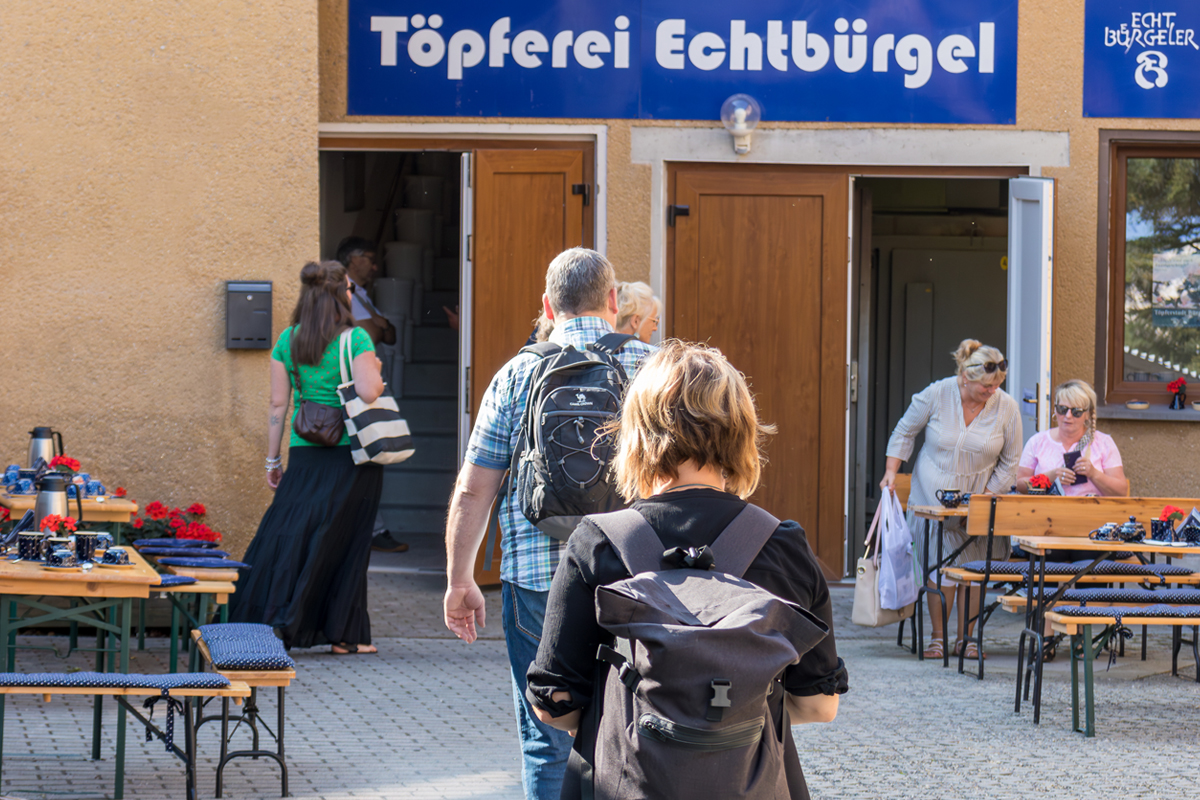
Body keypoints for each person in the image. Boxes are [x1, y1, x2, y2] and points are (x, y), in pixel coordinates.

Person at [526, 341, 846, 800]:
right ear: (742, 433)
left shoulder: (598, 542)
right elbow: (820, 706)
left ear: (637, 432)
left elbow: (553, 706)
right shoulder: (782, 545)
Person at [443, 248, 656, 800]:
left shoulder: (517, 372)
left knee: (546, 740)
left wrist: (460, 580)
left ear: (547, 304)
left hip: (541, 580)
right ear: (613, 301)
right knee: (639, 730)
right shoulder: (651, 369)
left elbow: (473, 489)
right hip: (636, 575)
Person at [230, 260, 386, 654]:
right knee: (348, 541)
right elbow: (370, 392)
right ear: (340, 294)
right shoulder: (357, 339)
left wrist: (272, 461)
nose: (353, 293)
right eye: (349, 288)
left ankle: (265, 618)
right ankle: (345, 636)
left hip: (304, 452)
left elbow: (278, 404)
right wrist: (377, 372)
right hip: (351, 453)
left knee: (289, 532)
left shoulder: (288, 339)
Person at [880, 339, 1022, 661]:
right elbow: (904, 432)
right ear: (965, 376)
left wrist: (984, 500)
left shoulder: (1007, 407)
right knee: (941, 566)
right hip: (931, 496)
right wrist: (891, 471)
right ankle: (938, 638)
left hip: (979, 500)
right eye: (985, 386)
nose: (991, 392)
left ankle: (968, 639)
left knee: (970, 570)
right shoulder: (937, 393)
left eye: (997, 386)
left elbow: (1010, 462)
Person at [336, 236, 407, 554]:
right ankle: (372, 529)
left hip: (369, 381)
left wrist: (378, 324)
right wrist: (377, 324)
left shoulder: (361, 294)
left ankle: (370, 528)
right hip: (355, 386)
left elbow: (389, 333)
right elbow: (372, 333)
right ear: (352, 259)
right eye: (369, 258)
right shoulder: (342, 292)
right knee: (364, 453)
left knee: (369, 453)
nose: (375, 265)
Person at [1016, 379, 1127, 497]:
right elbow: (1019, 484)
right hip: (1047, 513)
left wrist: (1094, 474)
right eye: (1062, 409)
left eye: (1076, 412)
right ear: (1054, 409)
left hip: (1090, 513)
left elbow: (1121, 492)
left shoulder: (1103, 443)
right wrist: (1051, 476)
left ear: (1088, 414)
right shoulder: (1037, 442)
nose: (1068, 416)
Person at [336, 236, 397, 346]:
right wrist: (382, 325)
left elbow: (391, 339)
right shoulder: (344, 293)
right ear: (354, 260)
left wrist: (383, 324)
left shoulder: (357, 291)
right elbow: (370, 338)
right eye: (372, 260)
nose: (375, 268)